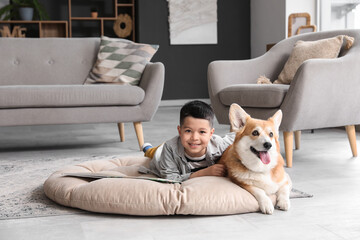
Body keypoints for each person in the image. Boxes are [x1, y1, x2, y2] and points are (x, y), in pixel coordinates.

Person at [138, 100, 235, 182]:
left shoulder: (218, 143)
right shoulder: (170, 149)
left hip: (180, 144)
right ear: (180, 131)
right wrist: (205, 172)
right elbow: (170, 178)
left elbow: (238, 136)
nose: (194, 138)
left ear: (211, 133)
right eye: (188, 131)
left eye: (202, 132)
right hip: (162, 154)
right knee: (155, 153)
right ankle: (147, 149)